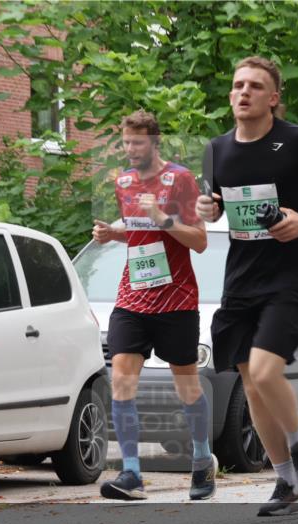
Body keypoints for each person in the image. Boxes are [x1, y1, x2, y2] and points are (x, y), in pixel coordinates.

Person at [195, 56, 298, 516]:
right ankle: (287, 484)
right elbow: (214, 204)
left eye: (255, 86)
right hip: (241, 280)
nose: (244, 92)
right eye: (238, 85)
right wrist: (208, 208)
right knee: (251, 384)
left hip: (288, 278)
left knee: (263, 371)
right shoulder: (216, 149)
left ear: (273, 98)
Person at [93, 110, 215, 500]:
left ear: (155, 143)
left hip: (176, 298)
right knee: (122, 380)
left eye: (138, 143)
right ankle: (131, 474)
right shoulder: (124, 182)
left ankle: (201, 460)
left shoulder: (180, 179)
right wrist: (113, 232)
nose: (130, 150)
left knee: (187, 387)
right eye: (126, 142)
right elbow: (136, 230)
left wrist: (162, 217)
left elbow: (198, 239)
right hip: (133, 294)